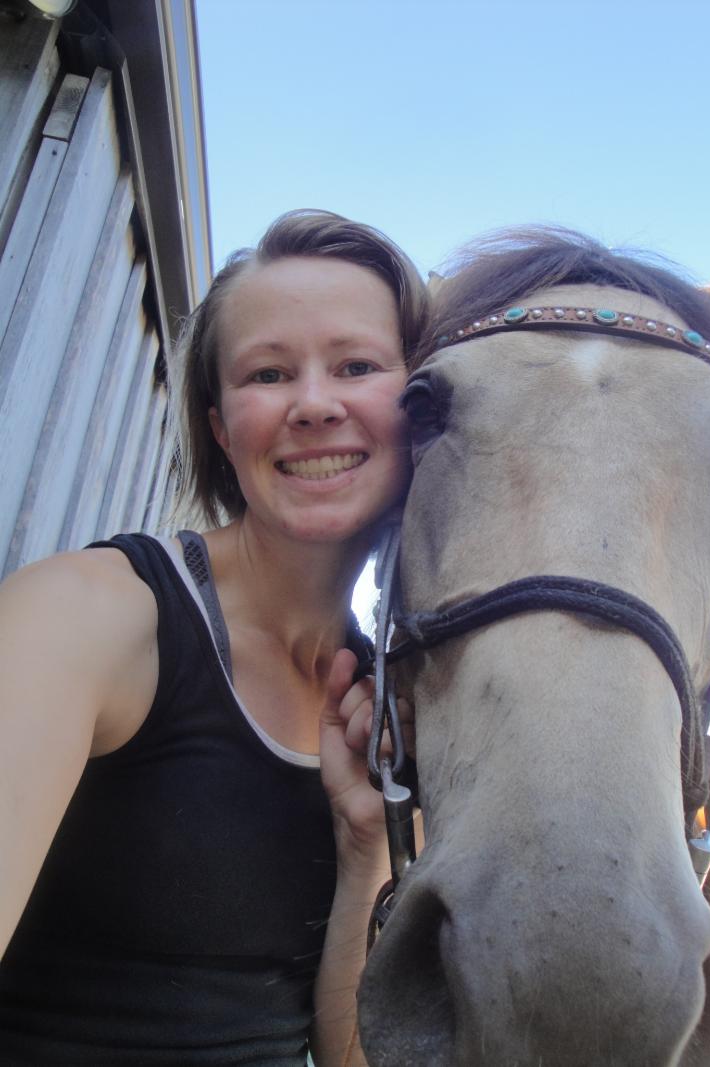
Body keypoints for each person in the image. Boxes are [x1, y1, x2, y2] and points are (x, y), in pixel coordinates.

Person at [0, 209, 428, 1065]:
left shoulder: (382, 701)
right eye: (269, 373)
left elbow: (345, 1055)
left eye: (357, 365)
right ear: (222, 428)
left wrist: (365, 847)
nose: (314, 403)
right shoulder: (86, 616)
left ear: (418, 410)